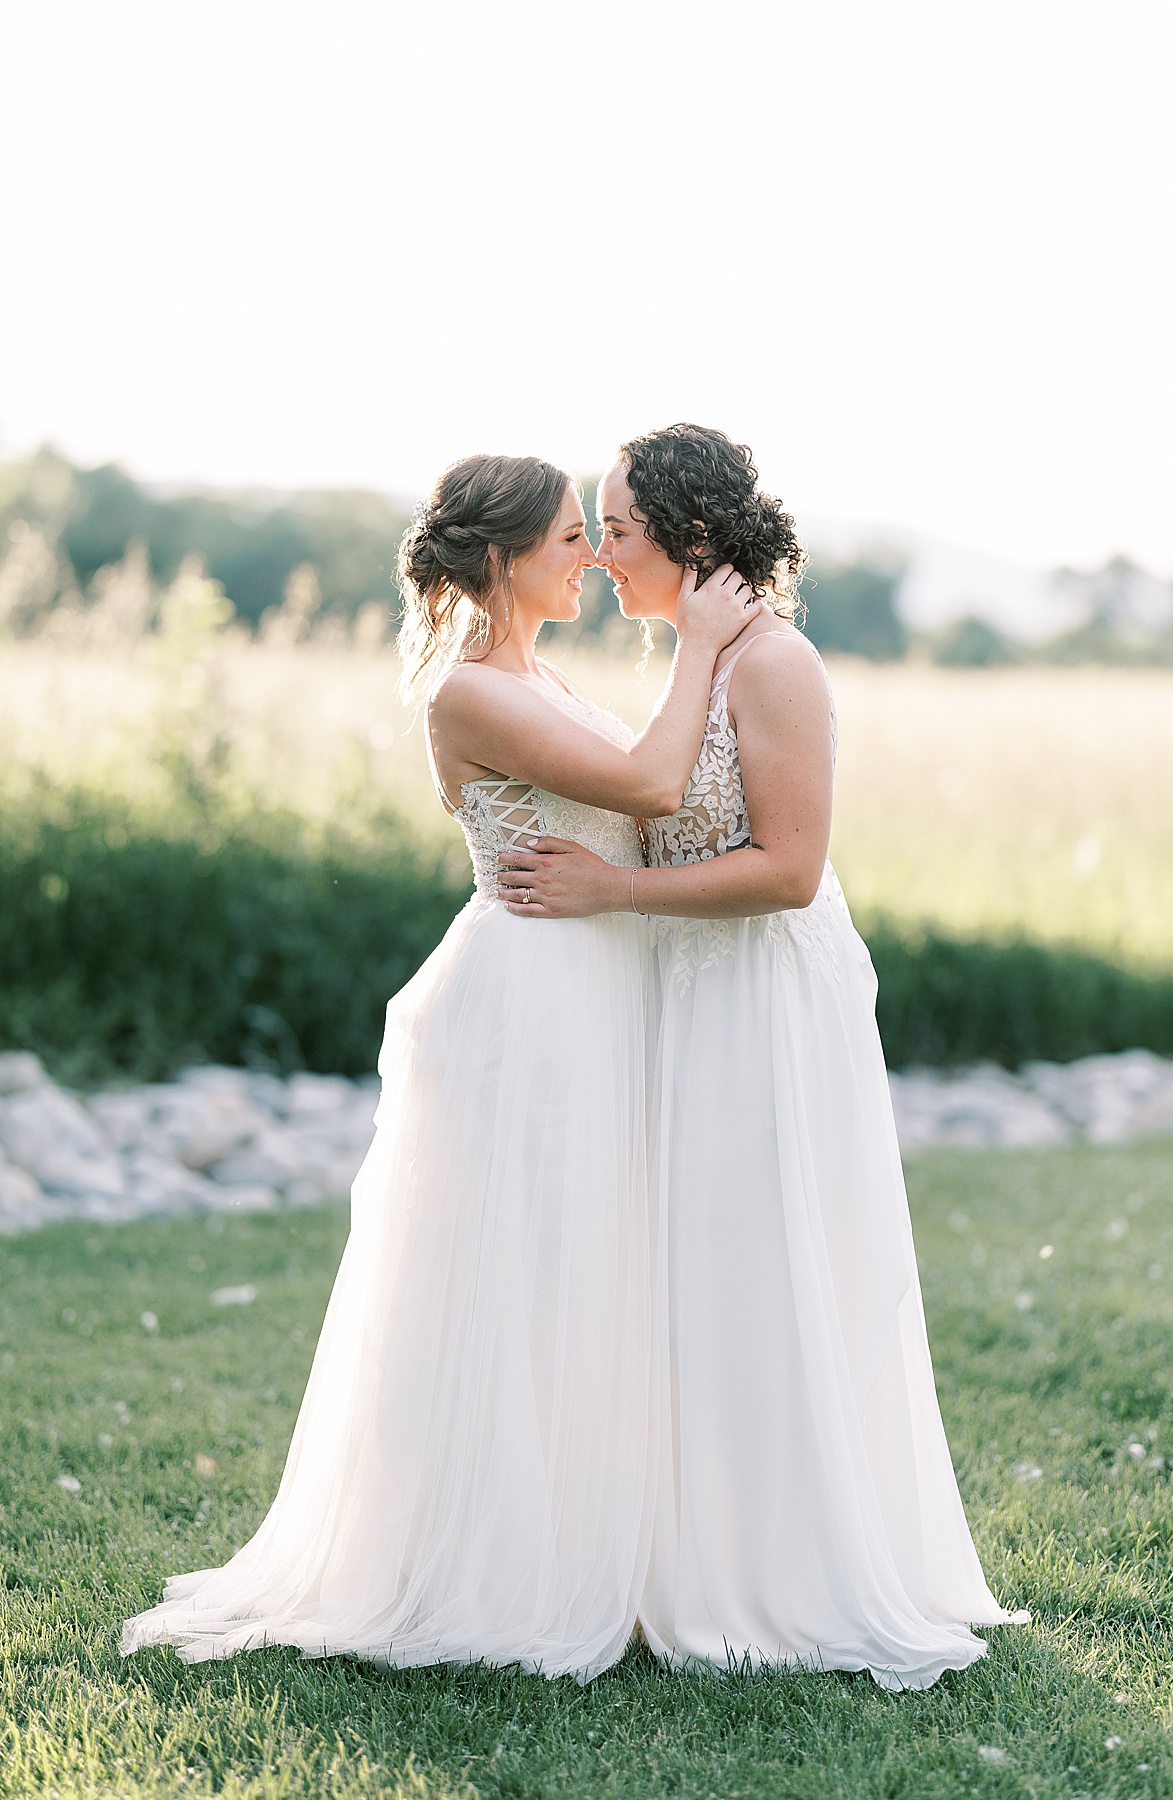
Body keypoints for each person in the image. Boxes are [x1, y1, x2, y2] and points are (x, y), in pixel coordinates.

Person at [122, 451, 757, 1680]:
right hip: (527, 1004)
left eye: (593, 533)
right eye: (571, 538)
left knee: (589, 1272)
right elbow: (650, 780)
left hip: (592, 986)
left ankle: (595, 1549)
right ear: (502, 559)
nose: (592, 554)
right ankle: (497, 1567)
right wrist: (702, 650)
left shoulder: (538, 672)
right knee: (520, 1274)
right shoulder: (466, 693)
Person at [497, 424, 1028, 1690]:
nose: (605, 554)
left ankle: (779, 1576)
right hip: (693, 985)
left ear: (686, 536)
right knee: (692, 1276)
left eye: (618, 530)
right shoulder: (702, 655)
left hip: (768, 997)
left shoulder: (776, 664)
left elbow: (788, 871)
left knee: (761, 1263)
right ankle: (684, 1558)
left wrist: (608, 899)